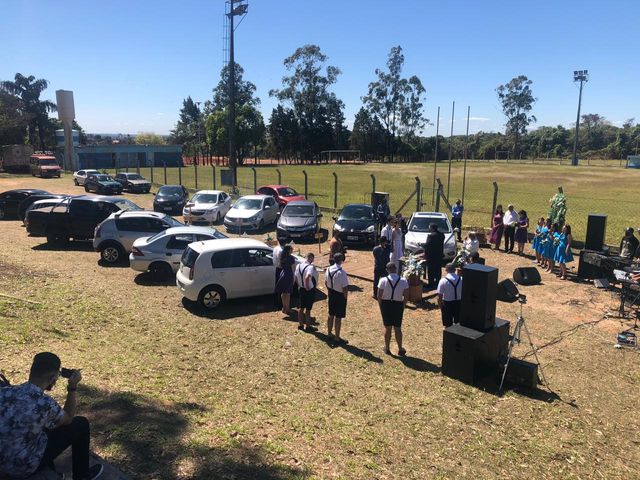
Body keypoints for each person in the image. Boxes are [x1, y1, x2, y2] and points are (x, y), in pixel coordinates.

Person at [0, 352, 103, 480]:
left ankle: (52, 470)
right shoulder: (45, 404)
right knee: (80, 424)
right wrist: (72, 388)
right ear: (52, 379)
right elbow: (68, 418)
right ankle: (82, 476)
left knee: (42, 427)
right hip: (21, 468)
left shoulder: (5, 392)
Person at [377, 262, 409, 356]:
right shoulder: (403, 280)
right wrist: (403, 305)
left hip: (386, 304)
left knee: (388, 328)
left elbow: (379, 295)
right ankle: (400, 348)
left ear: (387, 270)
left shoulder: (383, 280)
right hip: (398, 304)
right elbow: (406, 296)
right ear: (396, 269)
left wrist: (381, 305)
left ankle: (387, 348)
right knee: (398, 328)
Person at [325, 252, 349, 344]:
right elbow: (345, 288)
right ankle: (337, 337)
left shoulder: (328, 269)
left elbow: (326, 282)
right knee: (338, 317)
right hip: (340, 296)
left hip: (331, 293)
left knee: (331, 314)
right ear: (341, 260)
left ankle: (329, 333)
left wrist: (329, 290)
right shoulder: (342, 273)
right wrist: (345, 298)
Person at [295, 252, 319, 332]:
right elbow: (307, 277)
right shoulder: (310, 267)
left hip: (301, 288)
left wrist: (299, 285)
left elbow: (295, 277)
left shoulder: (298, 266)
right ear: (311, 258)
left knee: (301, 308)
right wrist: (307, 287)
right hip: (308, 290)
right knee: (308, 309)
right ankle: (308, 326)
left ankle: (300, 325)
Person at [437, 263, 463, 328]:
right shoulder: (461, 279)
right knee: (458, 323)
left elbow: (439, 296)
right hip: (459, 303)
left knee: (448, 324)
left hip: (447, 304)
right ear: (455, 270)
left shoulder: (443, 281)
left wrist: (440, 306)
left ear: (446, 270)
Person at [423, 223, 445, 289]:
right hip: (439, 255)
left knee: (431, 270)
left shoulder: (431, 236)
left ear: (432, 228)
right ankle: (438, 282)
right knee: (438, 269)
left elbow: (428, 246)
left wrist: (425, 252)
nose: (429, 229)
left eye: (429, 228)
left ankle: (431, 284)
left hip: (432, 256)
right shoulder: (442, 235)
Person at [275, 244, 296, 314]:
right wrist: (294, 278)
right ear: (289, 250)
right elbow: (293, 270)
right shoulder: (291, 258)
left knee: (283, 293)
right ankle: (287, 309)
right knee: (288, 293)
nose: (292, 250)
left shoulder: (282, 257)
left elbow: (281, 266)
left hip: (283, 274)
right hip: (289, 275)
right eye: (291, 249)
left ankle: (284, 307)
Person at [272, 238, 285, 309]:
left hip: (277, 268)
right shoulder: (281, 251)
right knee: (281, 287)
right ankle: (279, 303)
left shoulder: (275, 248)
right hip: (281, 269)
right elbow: (281, 261)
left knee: (277, 285)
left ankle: (276, 302)